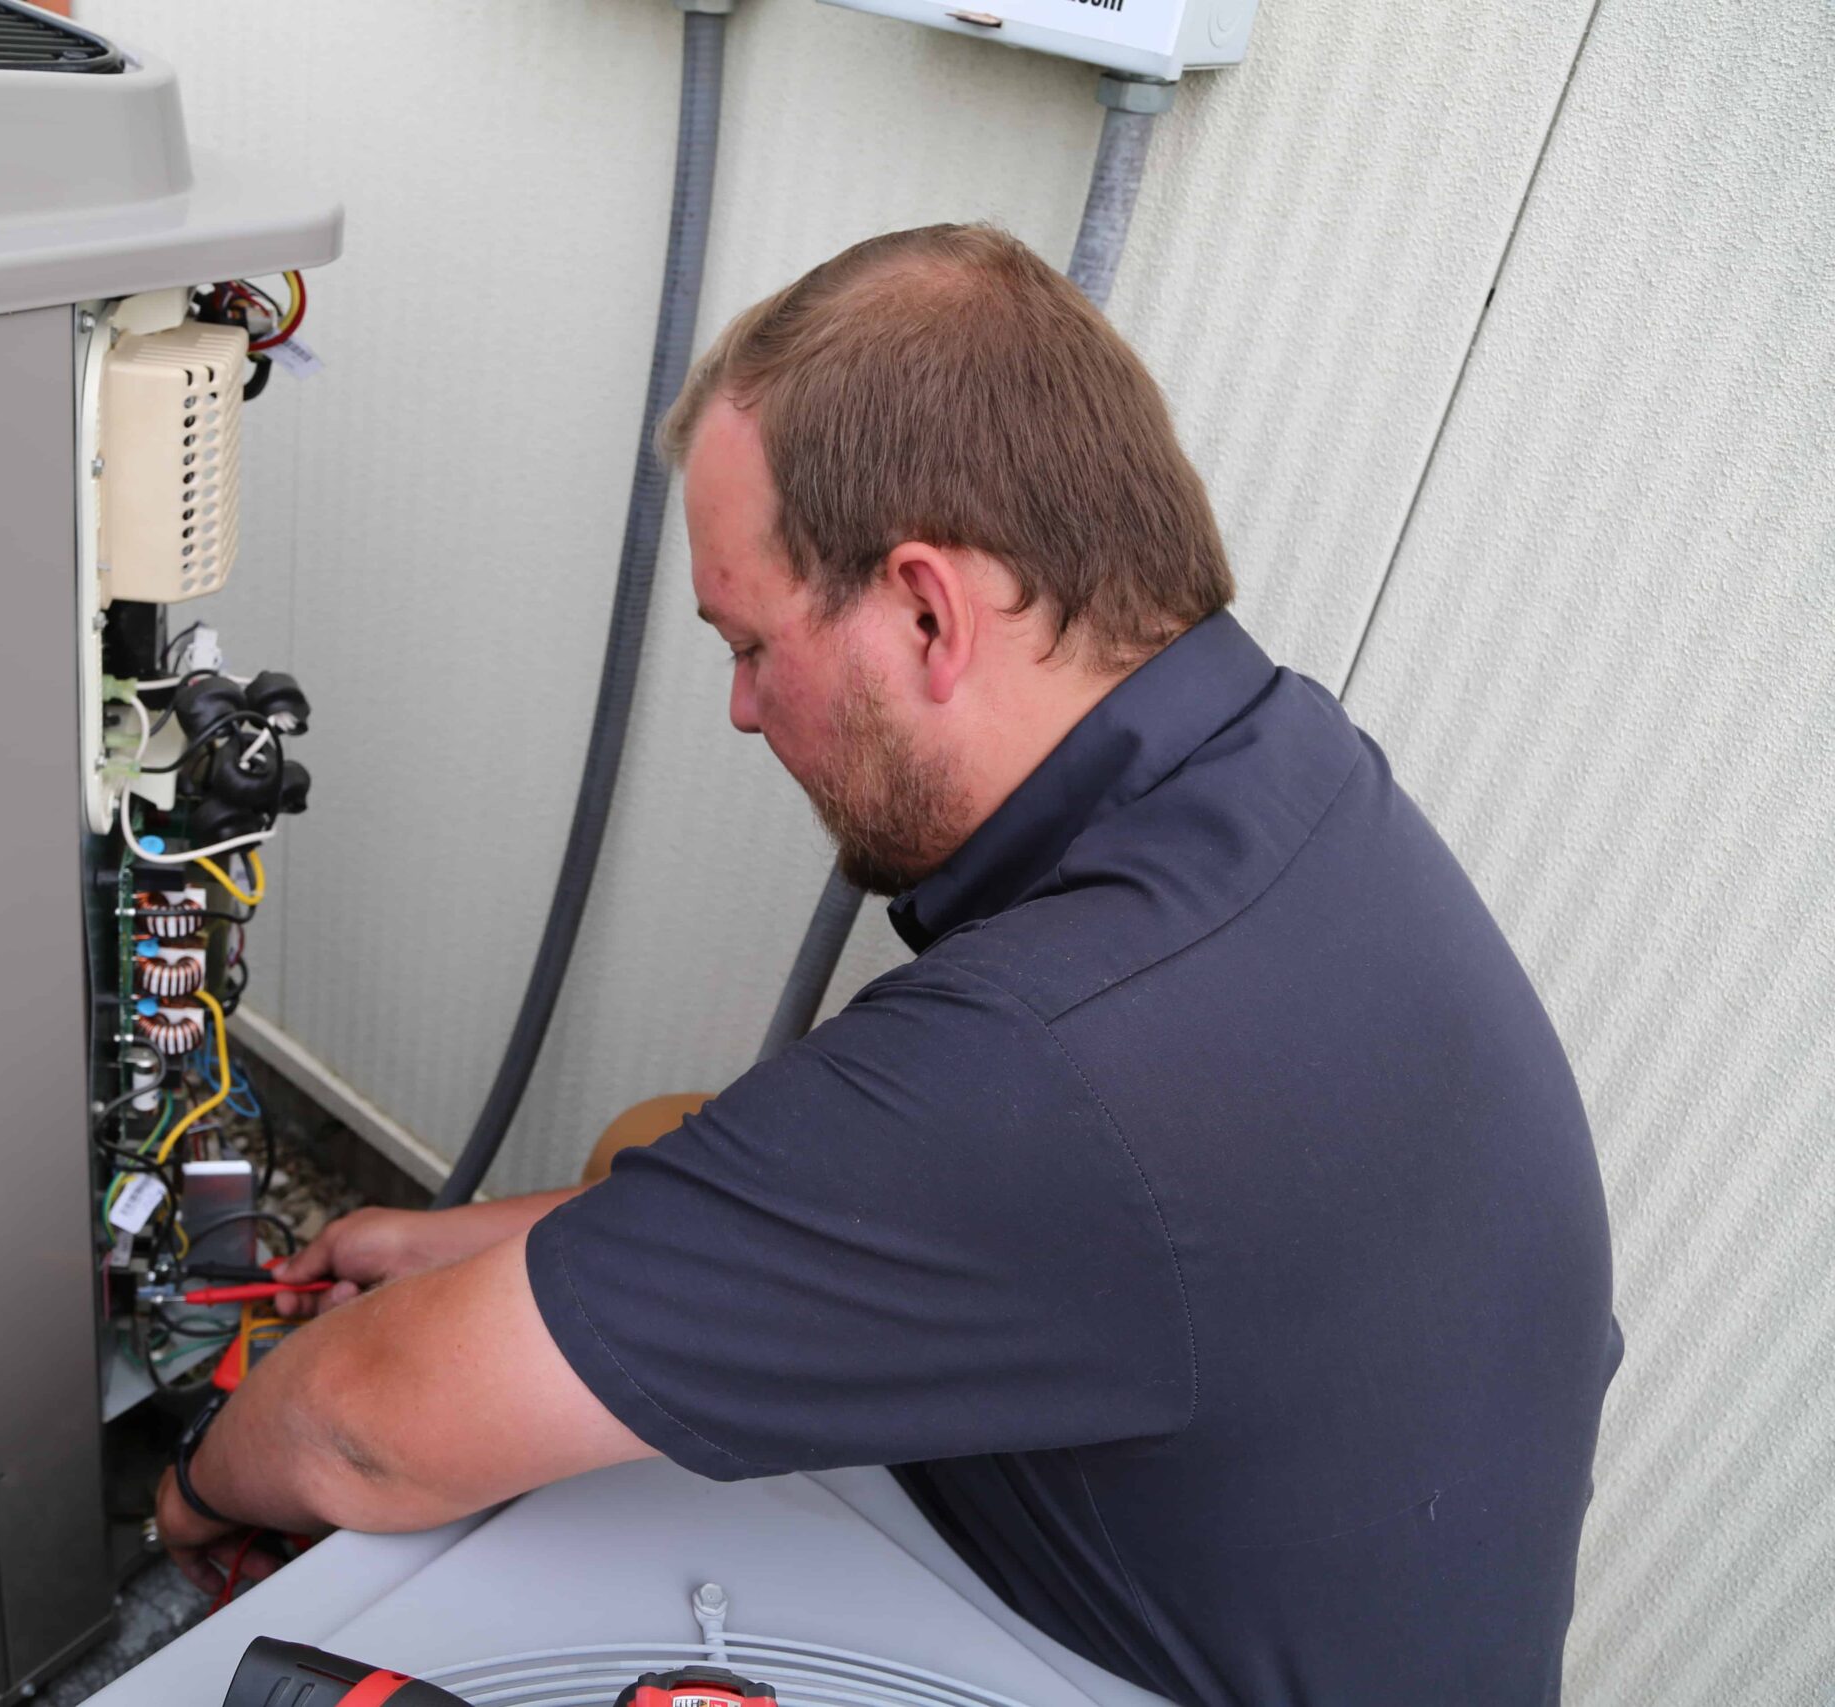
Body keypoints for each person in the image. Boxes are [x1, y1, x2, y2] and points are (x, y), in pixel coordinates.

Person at [153, 224, 1622, 1706]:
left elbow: (362, 1425)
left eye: (748, 645)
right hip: (1210, 1546)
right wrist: (455, 1245)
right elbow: (859, 1178)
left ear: (927, 610)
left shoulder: (1055, 1052)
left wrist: (192, 1504)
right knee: (647, 1141)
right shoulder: (1271, 772)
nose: (740, 711)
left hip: (1139, 1660)